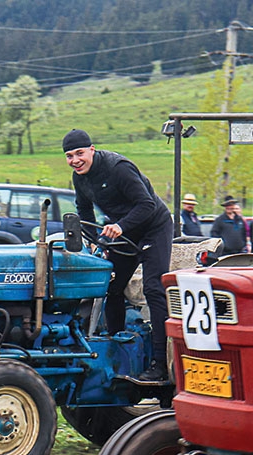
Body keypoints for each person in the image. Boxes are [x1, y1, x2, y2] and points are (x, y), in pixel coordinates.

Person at [63, 128, 172, 382]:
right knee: (110, 286)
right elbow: (83, 210)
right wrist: (91, 242)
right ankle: (117, 352)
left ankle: (160, 364)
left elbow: (147, 204)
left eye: (80, 153)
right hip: (122, 230)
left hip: (152, 226)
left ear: (92, 149)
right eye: (69, 156)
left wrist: (121, 226)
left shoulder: (118, 167)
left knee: (154, 288)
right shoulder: (79, 177)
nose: (75, 160)